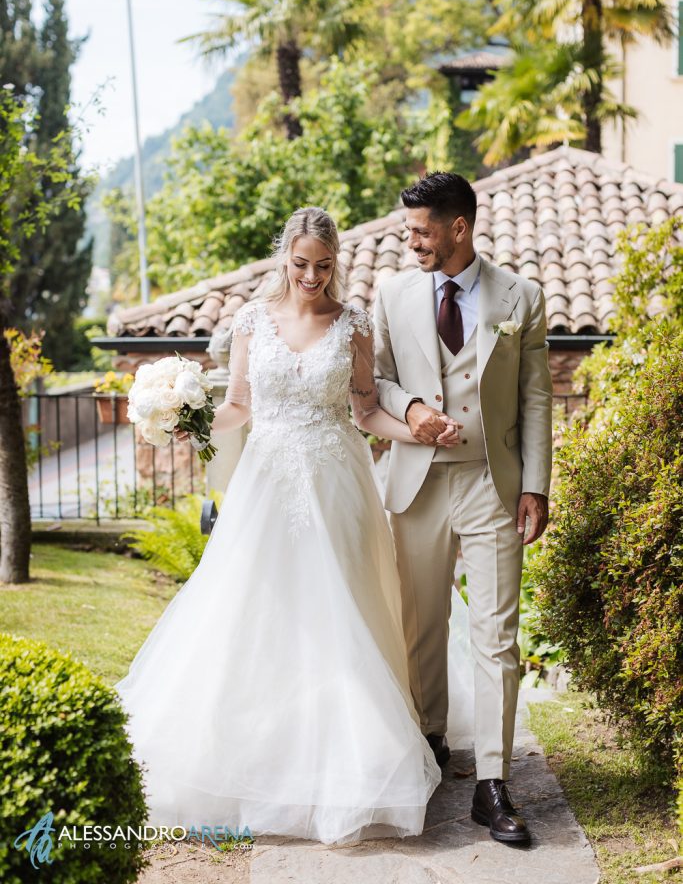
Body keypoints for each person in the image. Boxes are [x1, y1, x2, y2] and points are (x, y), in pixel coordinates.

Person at [114, 206, 473, 847]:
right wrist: (186, 421)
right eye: (302, 264)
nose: (312, 276)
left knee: (342, 613)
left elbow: (366, 413)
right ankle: (255, 746)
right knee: (258, 608)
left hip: (338, 483)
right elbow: (238, 406)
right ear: (285, 257)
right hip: (268, 484)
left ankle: (353, 757)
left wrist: (420, 433)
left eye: (323, 266)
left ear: (336, 264)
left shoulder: (353, 324)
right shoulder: (253, 321)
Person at [373, 171, 553, 845]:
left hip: (490, 481)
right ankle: (430, 744)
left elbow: (536, 396)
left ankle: (492, 782)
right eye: (408, 231)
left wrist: (536, 484)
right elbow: (376, 379)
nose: (412, 242)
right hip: (416, 483)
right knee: (421, 624)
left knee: (496, 634)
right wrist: (412, 408)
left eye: (422, 231)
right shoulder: (392, 294)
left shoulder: (520, 296)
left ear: (458, 228)